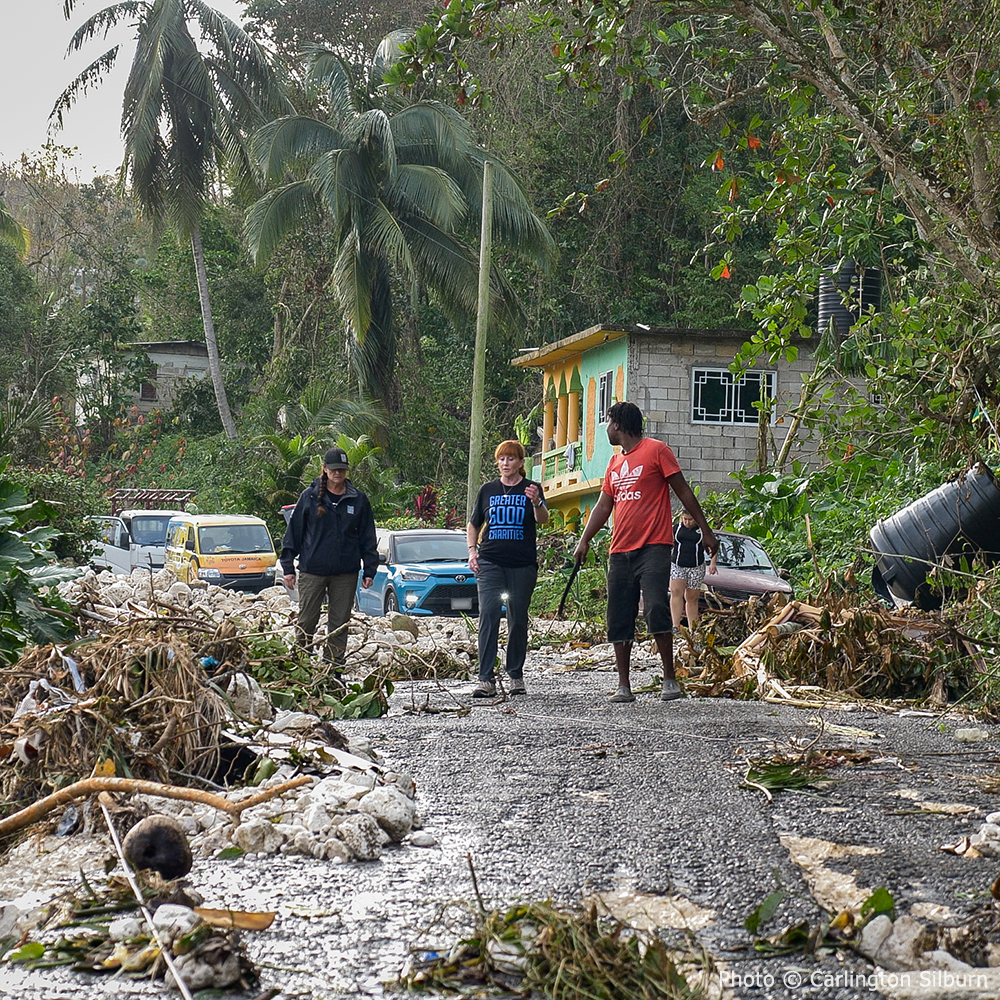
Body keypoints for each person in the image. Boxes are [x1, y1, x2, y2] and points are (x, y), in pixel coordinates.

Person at [573, 401, 718, 703]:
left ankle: (669, 679)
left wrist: (705, 530)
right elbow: (603, 506)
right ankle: (624, 685)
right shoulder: (614, 464)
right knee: (619, 615)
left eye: (609, 422)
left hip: (654, 546)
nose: (607, 428)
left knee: (655, 606)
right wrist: (584, 539)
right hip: (620, 550)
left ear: (620, 424)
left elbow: (683, 491)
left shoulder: (656, 450)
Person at [281, 447, 378, 666]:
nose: (338, 473)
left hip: (345, 572)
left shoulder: (358, 499)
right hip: (312, 570)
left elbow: (367, 537)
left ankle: (333, 668)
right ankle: (300, 664)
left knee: (339, 622)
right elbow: (294, 533)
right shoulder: (310, 497)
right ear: (324, 469)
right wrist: (287, 567)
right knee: (306, 620)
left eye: (342, 470)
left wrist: (370, 569)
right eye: (334, 469)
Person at [467, 440, 549, 697]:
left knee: (517, 617)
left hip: (522, 564)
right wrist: (472, 551)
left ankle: (515, 674)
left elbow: (543, 519)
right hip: (490, 561)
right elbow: (474, 524)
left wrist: (537, 502)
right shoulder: (488, 490)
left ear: (521, 463)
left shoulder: (531, 489)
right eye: (502, 459)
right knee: (489, 613)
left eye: (511, 459)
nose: (505, 464)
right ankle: (485, 678)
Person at [670, 509, 718, 632]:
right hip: (678, 565)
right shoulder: (676, 528)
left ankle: (693, 628)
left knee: (692, 597)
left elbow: (713, 546)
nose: (687, 522)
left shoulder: (702, 531)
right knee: (676, 592)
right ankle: (675, 625)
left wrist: (713, 563)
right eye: (685, 519)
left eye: (690, 520)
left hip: (696, 566)